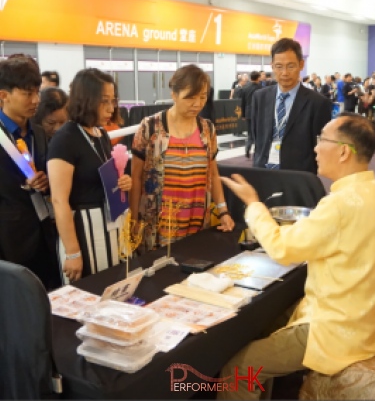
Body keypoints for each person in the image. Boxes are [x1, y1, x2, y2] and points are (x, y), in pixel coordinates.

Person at [218, 113, 375, 400]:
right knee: (265, 324)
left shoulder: (340, 205)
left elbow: (281, 248)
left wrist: (253, 203)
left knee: (238, 370)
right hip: (366, 325)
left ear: (344, 151)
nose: (315, 148)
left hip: (332, 331)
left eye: (322, 140)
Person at [130, 64, 234, 252]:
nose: (198, 104)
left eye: (203, 97)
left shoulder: (207, 129)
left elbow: (213, 174)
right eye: (190, 97)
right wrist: (134, 220)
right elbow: (136, 177)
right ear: (174, 95)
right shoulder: (150, 127)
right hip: (157, 226)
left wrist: (223, 210)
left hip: (196, 221)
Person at [47, 68, 132, 282]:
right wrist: (73, 252)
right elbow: (59, 200)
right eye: (104, 101)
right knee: (90, 295)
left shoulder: (99, 133)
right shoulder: (65, 138)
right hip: (84, 230)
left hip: (109, 225)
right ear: (86, 99)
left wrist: (123, 182)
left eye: (113, 101)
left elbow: (102, 177)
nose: (111, 109)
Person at [0, 56, 61, 290]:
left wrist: (46, 181)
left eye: (37, 92)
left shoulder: (38, 131)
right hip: (8, 240)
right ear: (3, 94)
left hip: (44, 234)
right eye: (27, 94)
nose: (35, 100)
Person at [251, 38, 332, 173]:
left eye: (291, 66)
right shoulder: (260, 97)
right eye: (279, 66)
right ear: (272, 66)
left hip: (298, 176)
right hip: (263, 172)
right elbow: (256, 136)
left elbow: (320, 146)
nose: (284, 73)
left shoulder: (318, 103)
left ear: (301, 65)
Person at [241, 71, 261, 158]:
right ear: (258, 78)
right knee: (258, 132)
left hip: (248, 112)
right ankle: (257, 151)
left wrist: (243, 114)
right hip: (258, 112)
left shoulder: (245, 87)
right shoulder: (260, 88)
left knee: (250, 133)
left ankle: (247, 150)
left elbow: (242, 102)